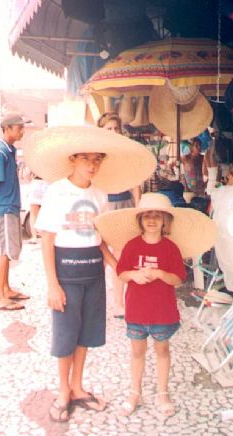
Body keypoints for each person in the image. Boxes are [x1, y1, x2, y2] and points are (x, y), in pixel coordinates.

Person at [26, 126, 154, 423]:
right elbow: (47, 238)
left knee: (85, 334)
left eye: (97, 159)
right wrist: (52, 285)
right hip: (66, 272)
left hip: (93, 274)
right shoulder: (57, 190)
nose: (92, 165)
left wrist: (119, 268)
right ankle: (62, 391)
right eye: (86, 159)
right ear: (72, 159)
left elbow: (100, 238)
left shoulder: (100, 194)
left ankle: (78, 386)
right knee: (65, 336)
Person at [102, 193, 187, 417]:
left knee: (162, 351)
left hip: (163, 313)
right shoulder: (132, 246)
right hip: (137, 311)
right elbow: (121, 272)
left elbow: (178, 278)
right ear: (140, 220)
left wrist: (160, 273)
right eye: (147, 216)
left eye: (157, 216)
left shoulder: (170, 248)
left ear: (165, 221)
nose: (151, 220)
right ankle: (134, 392)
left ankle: (162, 392)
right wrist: (134, 275)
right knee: (137, 352)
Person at [0, 113, 31, 311]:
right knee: (1, 252)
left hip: (10, 208)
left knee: (8, 251)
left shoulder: (9, 150)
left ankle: (6, 289)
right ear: (8, 128)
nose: (22, 131)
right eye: (19, 127)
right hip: (1, 210)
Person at [97, 111, 141, 318]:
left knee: (121, 255)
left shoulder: (126, 154)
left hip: (124, 205)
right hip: (104, 206)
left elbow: (135, 183)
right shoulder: (97, 155)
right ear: (101, 131)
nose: (113, 132)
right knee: (99, 254)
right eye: (109, 129)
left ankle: (118, 303)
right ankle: (93, 298)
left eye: (116, 128)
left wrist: (138, 206)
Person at [28, 175, 49, 244]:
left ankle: (34, 237)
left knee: (33, 212)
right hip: (48, 182)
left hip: (36, 182)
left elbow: (27, 174)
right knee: (47, 212)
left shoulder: (35, 164)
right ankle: (46, 237)